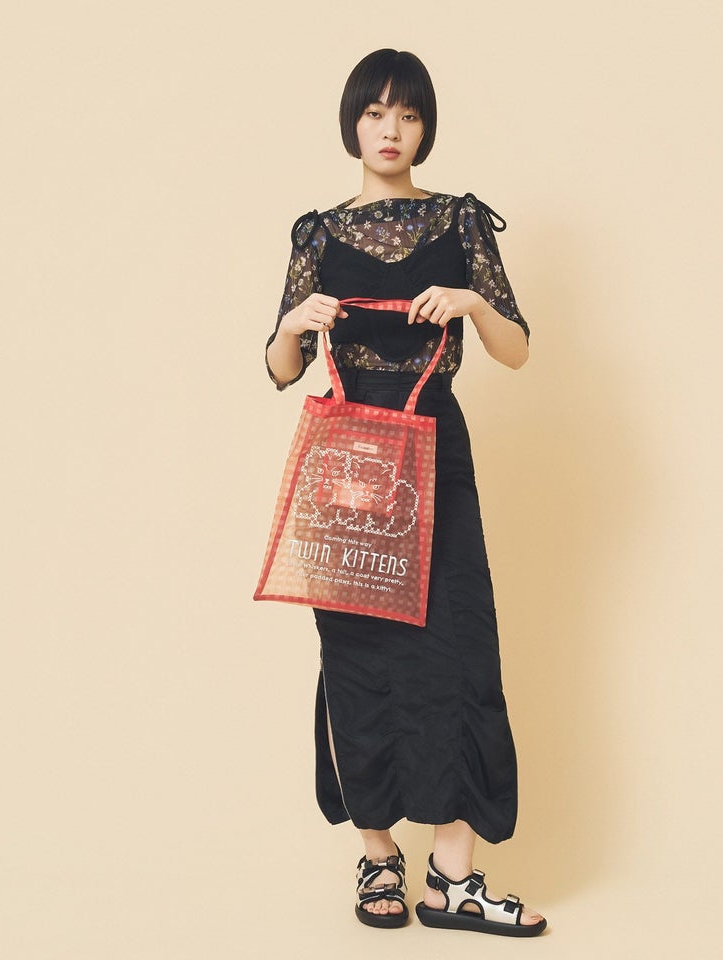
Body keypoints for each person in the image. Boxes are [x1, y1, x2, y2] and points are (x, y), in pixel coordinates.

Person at [264, 49, 547, 938]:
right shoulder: (317, 235)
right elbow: (280, 368)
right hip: (347, 461)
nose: (392, 130)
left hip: (435, 450)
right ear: (352, 123)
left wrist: (471, 302)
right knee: (358, 654)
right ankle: (378, 856)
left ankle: (452, 879)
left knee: (458, 650)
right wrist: (292, 324)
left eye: (410, 115)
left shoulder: (460, 222)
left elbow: (516, 348)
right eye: (376, 112)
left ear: (426, 128)